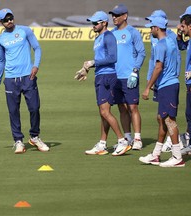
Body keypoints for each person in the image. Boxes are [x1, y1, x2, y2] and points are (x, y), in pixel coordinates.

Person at [0, 8, 49, 153]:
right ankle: (18, 141)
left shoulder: (25, 31)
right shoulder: (0, 39)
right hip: (10, 79)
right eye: (6, 19)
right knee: (13, 111)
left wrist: (36, 66)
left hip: (28, 77)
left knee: (34, 108)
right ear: (1, 22)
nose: (9, 21)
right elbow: (0, 60)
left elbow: (37, 48)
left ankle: (35, 137)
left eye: (11, 18)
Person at [74, 11, 130, 156]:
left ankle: (122, 141)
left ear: (104, 23)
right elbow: (100, 59)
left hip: (107, 77)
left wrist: (93, 62)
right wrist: (86, 69)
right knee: (102, 113)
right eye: (92, 23)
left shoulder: (108, 36)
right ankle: (102, 144)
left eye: (95, 23)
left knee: (105, 112)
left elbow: (113, 57)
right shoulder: (98, 38)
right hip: (100, 76)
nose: (93, 25)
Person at [140, 16, 185, 167]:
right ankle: (156, 154)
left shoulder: (160, 44)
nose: (150, 29)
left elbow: (158, 67)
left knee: (169, 120)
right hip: (170, 84)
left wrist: (148, 87)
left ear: (157, 28)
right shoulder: (171, 42)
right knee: (162, 118)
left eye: (151, 27)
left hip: (167, 85)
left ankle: (177, 157)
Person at [109, 4, 146, 150]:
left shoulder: (133, 32)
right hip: (115, 77)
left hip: (129, 76)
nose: (114, 18)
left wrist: (135, 71)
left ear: (125, 16)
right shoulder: (111, 33)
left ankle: (138, 138)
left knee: (133, 107)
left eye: (117, 15)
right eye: (113, 15)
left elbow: (141, 53)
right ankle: (127, 137)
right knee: (121, 108)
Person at [177, 14, 191, 155]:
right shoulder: (190, 41)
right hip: (188, 83)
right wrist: (179, 34)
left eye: (183, 26)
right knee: (189, 114)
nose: (181, 28)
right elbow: (181, 45)